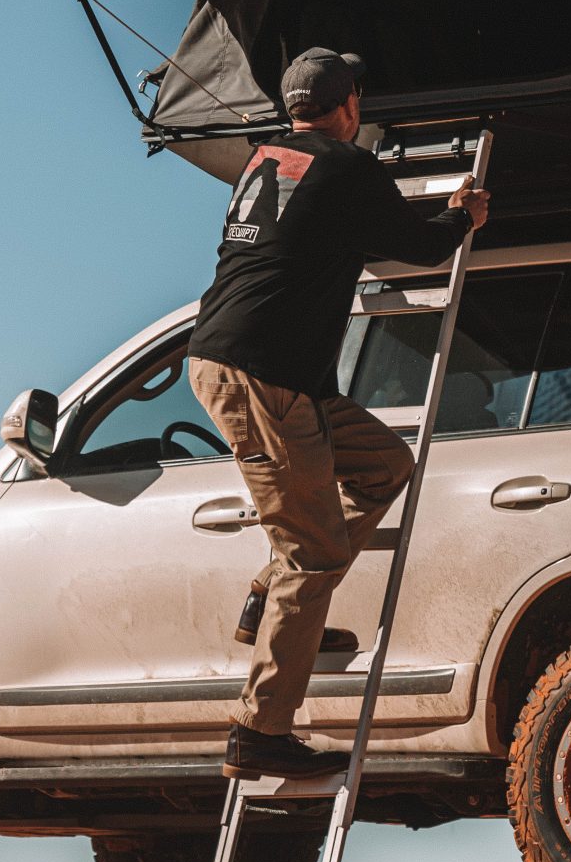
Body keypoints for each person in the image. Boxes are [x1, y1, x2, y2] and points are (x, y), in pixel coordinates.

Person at [186, 48, 490, 780]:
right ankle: (259, 729)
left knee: (386, 464)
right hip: (264, 374)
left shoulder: (265, 160)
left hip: (270, 367)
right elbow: (416, 249)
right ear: (348, 103)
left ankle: (273, 596)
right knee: (313, 556)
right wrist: (461, 217)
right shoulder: (348, 168)